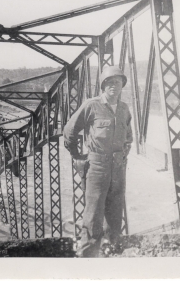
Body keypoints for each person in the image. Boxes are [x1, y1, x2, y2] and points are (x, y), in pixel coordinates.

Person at [64, 66, 133, 257]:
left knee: (115, 211)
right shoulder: (91, 105)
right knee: (93, 213)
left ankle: (111, 251)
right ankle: (88, 256)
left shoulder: (124, 108)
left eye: (117, 82)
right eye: (109, 83)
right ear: (103, 86)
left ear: (122, 86)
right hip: (97, 166)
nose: (113, 86)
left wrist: (123, 154)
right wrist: (77, 155)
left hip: (118, 167)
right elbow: (69, 131)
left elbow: (129, 136)